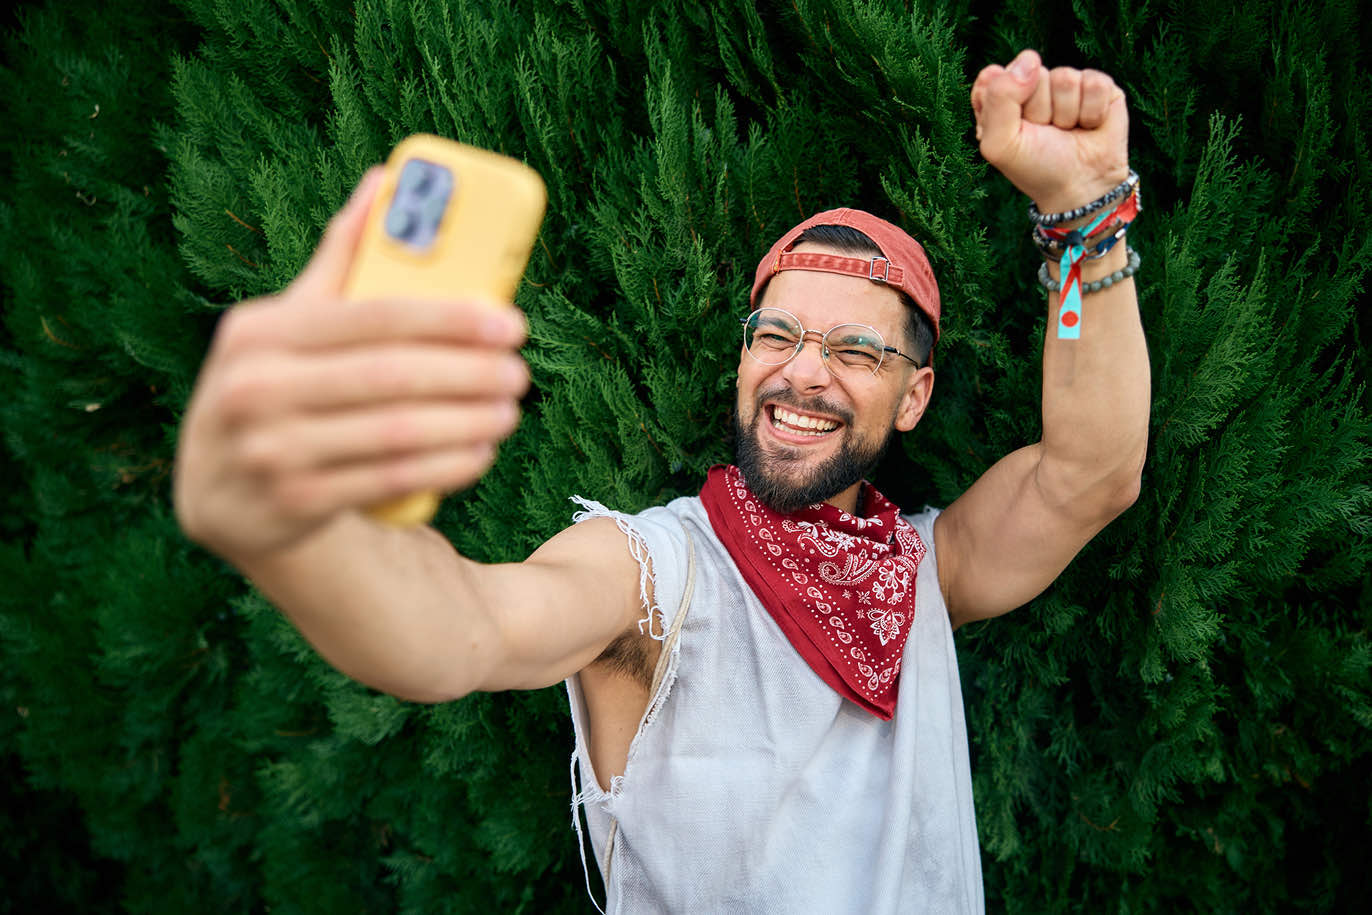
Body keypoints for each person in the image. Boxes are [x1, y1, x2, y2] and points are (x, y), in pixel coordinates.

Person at [175, 49, 1148, 913]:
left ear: (913, 396)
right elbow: (461, 630)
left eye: (853, 350)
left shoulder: (929, 572)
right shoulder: (657, 573)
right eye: (775, 336)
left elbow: (1088, 474)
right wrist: (293, 529)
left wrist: (1086, 215)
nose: (801, 371)